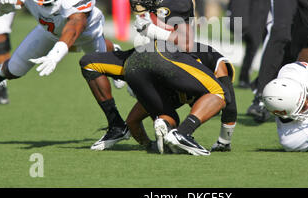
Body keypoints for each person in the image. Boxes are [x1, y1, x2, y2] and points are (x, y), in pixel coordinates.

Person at [116, 0, 230, 156]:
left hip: (177, 53)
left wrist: (152, 30)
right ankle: (170, 127)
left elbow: (185, 42)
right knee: (192, 93)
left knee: (210, 93)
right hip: (168, 57)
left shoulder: (174, 5)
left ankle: (171, 126)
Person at [80, 42, 237, 153]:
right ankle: (181, 133)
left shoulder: (175, 92)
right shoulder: (213, 61)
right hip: (163, 60)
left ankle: (125, 125)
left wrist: (149, 146)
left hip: (141, 64)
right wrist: (224, 141)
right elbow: (228, 98)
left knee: (89, 63)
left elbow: (132, 122)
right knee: (220, 95)